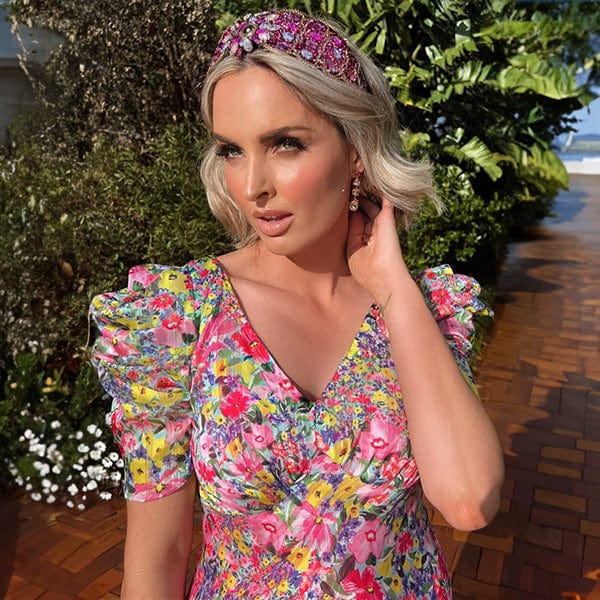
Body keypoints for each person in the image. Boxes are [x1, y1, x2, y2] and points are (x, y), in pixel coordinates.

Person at [90, 9, 504, 600]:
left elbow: (469, 500)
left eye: (285, 144)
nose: (252, 185)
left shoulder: (420, 310)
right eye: (232, 150)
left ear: (357, 149)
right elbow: (160, 557)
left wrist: (392, 288)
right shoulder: (178, 319)